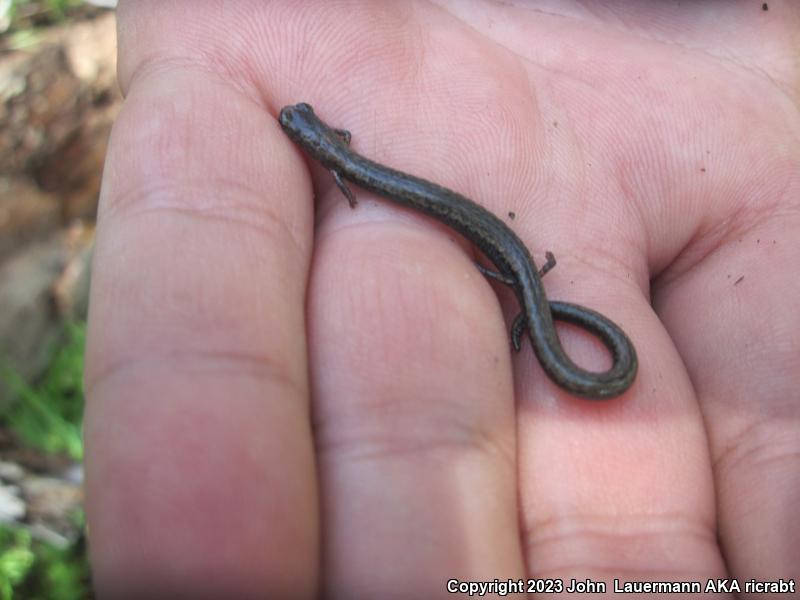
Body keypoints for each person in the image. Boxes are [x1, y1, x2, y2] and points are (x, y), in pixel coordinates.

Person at [84, 2, 800, 597]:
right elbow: (347, 154)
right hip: (510, 258)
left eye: (304, 127)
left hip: (509, 257)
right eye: (302, 128)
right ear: (320, 141)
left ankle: (536, 312)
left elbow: (348, 165)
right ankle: (536, 310)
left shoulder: (339, 166)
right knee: (520, 285)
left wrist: (529, 302)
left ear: (316, 141)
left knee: (522, 287)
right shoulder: (340, 158)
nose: (306, 127)